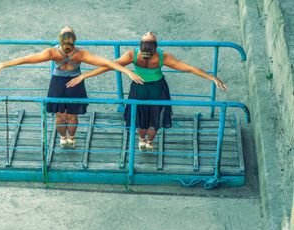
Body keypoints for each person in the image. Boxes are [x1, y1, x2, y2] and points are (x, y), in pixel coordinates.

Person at [67, 31, 228, 151]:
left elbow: (109, 65)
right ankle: (150, 143)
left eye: (147, 35)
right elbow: (189, 68)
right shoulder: (163, 57)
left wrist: (84, 76)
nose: (149, 33)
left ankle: (141, 140)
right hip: (157, 89)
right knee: (155, 117)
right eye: (150, 35)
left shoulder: (132, 55)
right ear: (155, 47)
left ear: (141, 45)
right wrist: (212, 77)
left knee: (140, 115)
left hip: (139, 88)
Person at [0, 26, 144, 148]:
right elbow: (107, 63)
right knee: (73, 116)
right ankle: (72, 139)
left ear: (60, 40)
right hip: (75, 84)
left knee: (60, 116)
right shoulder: (80, 54)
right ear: (73, 41)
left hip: (58, 85)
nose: (67, 25)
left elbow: (27, 59)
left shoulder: (52, 53)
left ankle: (63, 139)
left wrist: (3, 64)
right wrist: (127, 71)